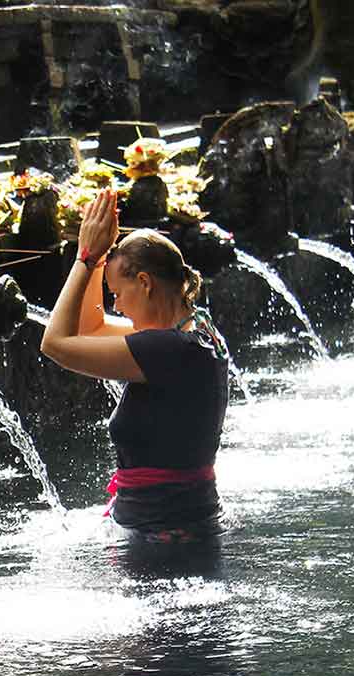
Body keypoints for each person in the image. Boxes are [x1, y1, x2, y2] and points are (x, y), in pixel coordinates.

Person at [40, 188, 230, 542]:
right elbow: (90, 328)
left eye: (117, 294)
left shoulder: (168, 348)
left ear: (144, 284)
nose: (117, 306)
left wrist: (85, 258)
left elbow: (55, 343)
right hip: (179, 523)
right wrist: (99, 263)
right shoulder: (197, 332)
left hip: (160, 536)